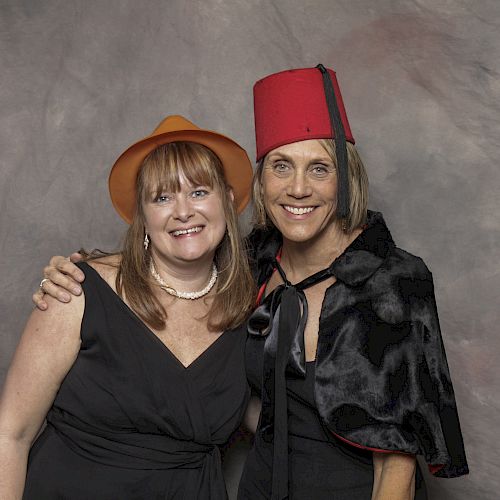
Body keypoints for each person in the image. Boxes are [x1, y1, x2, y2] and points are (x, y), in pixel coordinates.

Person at [32, 65, 469, 500]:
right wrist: (86, 268)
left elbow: (397, 463)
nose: (298, 189)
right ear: (262, 181)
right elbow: (175, 253)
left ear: (346, 179)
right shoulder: (250, 266)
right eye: (282, 166)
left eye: (319, 168)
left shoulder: (394, 279)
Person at [0, 115, 256, 499]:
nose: (183, 211)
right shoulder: (77, 289)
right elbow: (11, 433)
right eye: (163, 197)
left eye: (199, 192)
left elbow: (281, 421)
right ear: (142, 216)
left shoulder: (252, 307)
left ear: (229, 200)